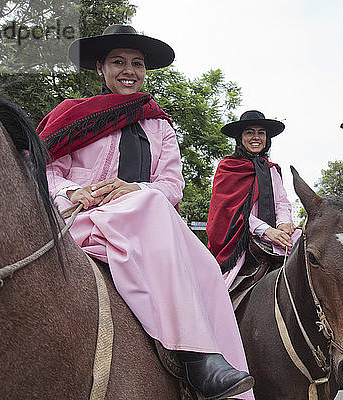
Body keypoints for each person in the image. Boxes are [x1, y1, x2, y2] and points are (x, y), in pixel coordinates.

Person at [38, 25, 254, 400]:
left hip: (146, 223)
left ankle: (220, 373)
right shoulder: (72, 114)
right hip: (85, 217)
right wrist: (74, 190)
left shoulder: (159, 124)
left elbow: (172, 186)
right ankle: (196, 355)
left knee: (205, 266)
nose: (129, 70)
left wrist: (134, 188)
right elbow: (46, 169)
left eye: (137, 64)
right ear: (101, 68)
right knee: (152, 206)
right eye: (118, 61)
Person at [207, 110, 301, 289]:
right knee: (220, 290)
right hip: (242, 239)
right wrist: (265, 231)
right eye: (249, 132)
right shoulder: (228, 168)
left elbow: (281, 201)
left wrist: (283, 223)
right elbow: (231, 212)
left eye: (261, 133)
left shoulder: (272, 169)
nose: (255, 137)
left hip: (277, 234)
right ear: (240, 137)